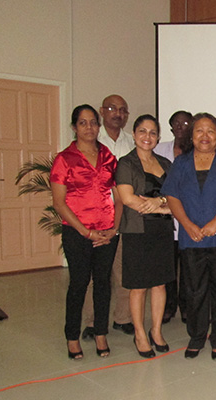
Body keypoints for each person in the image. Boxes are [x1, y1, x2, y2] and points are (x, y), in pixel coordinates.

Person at [161, 113, 216, 360]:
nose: (205, 136)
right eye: (199, 131)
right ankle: (197, 336)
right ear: (192, 135)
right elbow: (172, 197)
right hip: (192, 236)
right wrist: (186, 224)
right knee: (194, 290)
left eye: (211, 131)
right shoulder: (181, 162)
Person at [50, 105, 122, 359]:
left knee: (103, 283)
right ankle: (72, 337)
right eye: (83, 123)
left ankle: (100, 332)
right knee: (79, 283)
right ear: (74, 127)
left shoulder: (108, 157)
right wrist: (86, 232)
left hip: (107, 231)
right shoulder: (64, 159)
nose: (89, 127)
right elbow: (59, 203)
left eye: (93, 123)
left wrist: (115, 228)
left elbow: (118, 195)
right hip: (77, 232)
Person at [116, 114, 175, 358]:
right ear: (134, 134)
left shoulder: (166, 163)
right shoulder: (126, 163)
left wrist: (158, 202)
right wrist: (159, 205)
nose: (147, 137)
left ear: (158, 137)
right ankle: (140, 334)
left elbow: (175, 199)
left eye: (152, 132)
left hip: (162, 230)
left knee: (160, 283)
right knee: (139, 286)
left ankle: (156, 330)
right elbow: (128, 199)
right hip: (137, 230)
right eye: (142, 131)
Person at [81, 94, 134, 340]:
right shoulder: (91, 140)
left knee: (123, 271)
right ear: (103, 111)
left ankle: (122, 318)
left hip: (124, 217)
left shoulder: (132, 143)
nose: (118, 113)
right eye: (113, 108)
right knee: (95, 276)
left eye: (123, 110)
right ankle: (92, 322)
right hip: (94, 220)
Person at [154, 110, 193, 324]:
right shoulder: (159, 150)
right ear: (171, 127)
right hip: (164, 219)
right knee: (167, 268)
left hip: (189, 220)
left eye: (185, 122)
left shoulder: (198, 152)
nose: (181, 126)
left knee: (188, 269)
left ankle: (186, 307)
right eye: (176, 123)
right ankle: (168, 307)